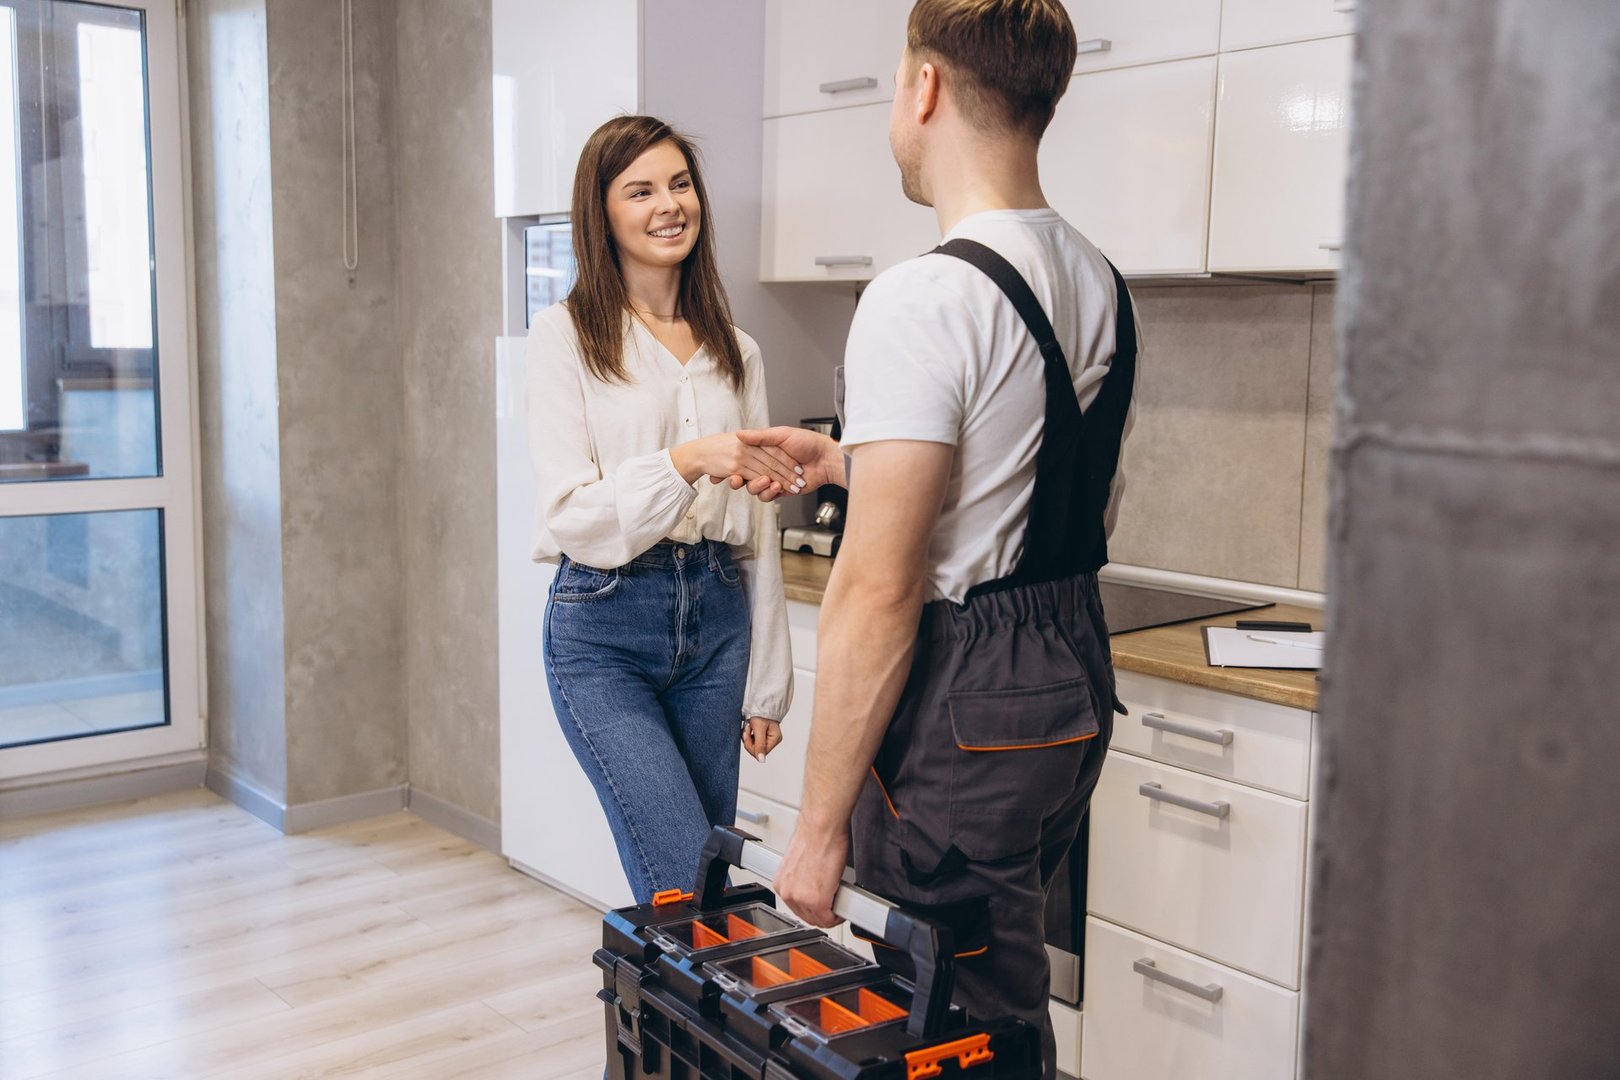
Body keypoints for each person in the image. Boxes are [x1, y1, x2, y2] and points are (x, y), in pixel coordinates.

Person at [742, 2, 1138, 1074]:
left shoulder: (922, 296)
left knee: (940, 1022)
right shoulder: (1100, 279)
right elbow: (1043, 491)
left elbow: (878, 587)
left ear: (923, 88)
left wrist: (817, 830)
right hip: (1066, 677)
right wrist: (853, 464)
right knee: (1002, 985)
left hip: (967, 703)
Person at [525, 115, 801, 904]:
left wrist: (767, 683)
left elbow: (759, 525)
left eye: (679, 184)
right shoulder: (566, 338)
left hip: (718, 624)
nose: (667, 205)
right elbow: (573, 513)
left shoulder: (735, 350)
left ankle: (678, 1031)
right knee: (687, 883)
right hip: (605, 628)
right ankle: (693, 1022)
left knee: (709, 883)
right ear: (602, 213)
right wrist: (687, 460)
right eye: (640, 190)